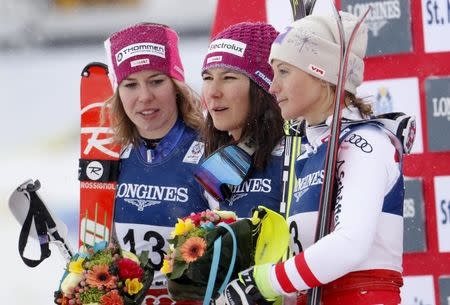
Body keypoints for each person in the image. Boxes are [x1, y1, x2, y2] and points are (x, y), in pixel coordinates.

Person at [223, 12, 410, 305]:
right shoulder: (308, 150)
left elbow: (350, 244)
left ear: (321, 73)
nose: (273, 87)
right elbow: (307, 263)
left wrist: (267, 281)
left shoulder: (363, 144)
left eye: (284, 71)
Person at [103, 23, 209, 305]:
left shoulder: (212, 150)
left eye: (156, 81)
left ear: (177, 86)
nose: (144, 97)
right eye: (130, 84)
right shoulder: (111, 156)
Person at [200, 22, 285, 217]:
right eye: (207, 78)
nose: (213, 92)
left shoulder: (296, 149)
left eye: (228, 77)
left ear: (263, 87)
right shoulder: (216, 156)